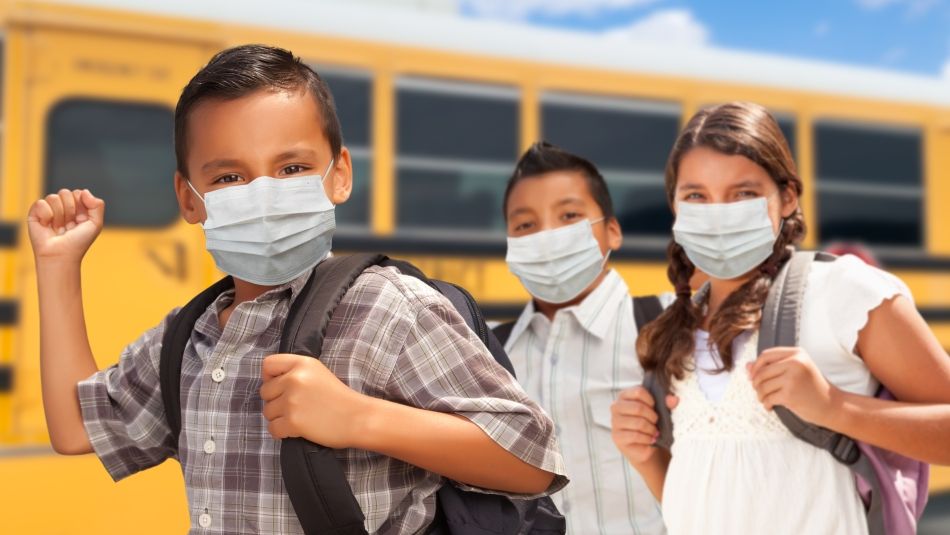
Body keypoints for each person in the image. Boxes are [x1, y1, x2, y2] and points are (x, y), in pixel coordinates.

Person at [27, 44, 566, 534]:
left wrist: (360, 418)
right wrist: (57, 267)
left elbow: (533, 459)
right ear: (189, 199)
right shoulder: (188, 339)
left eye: (292, 167)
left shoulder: (388, 307)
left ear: (339, 174)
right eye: (228, 178)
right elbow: (77, 430)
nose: (263, 193)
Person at [610, 101, 950, 535]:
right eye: (696, 195)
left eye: (744, 194)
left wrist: (833, 407)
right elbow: (703, 500)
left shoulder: (842, 291)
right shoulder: (675, 326)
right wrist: (644, 456)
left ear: (787, 197)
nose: (717, 213)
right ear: (676, 208)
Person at [499, 141, 671, 535]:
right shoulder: (491, 352)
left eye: (570, 215)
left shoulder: (668, 326)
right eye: (525, 225)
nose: (547, 236)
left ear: (613, 231)